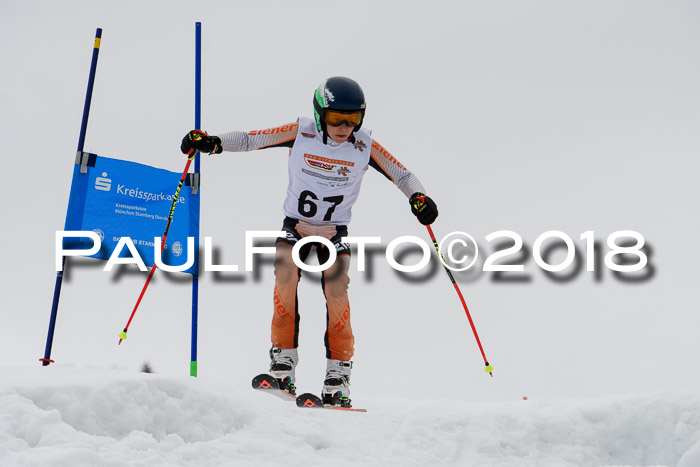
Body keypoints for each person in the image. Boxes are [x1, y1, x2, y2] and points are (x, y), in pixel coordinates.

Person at [181, 76, 438, 407]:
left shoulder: (364, 146)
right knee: (285, 276)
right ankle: (282, 365)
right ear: (320, 115)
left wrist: (419, 197)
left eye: (353, 119)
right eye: (336, 119)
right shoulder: (300, 132)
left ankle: (338, 376)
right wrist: (213, 142)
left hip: (334, 232)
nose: (345, 127)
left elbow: (402, 174)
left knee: (336, 290)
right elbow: (249, 140)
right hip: (297, 227)